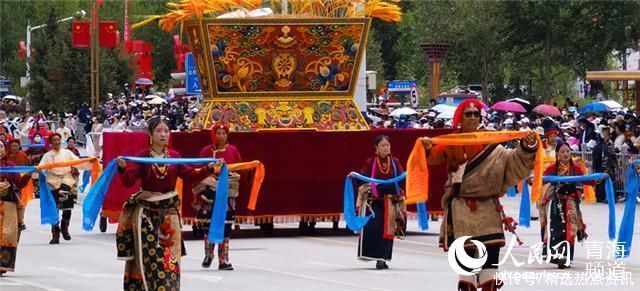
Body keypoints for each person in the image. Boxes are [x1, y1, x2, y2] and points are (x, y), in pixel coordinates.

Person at [421, 99, 538, 290]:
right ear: (460, 118)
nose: (473, 117)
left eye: (476, 114)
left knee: (490, 260)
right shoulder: (451, 141)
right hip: (462, 208)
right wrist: (426, 147)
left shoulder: (490, 140)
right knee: (467, 262)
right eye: (469, 114)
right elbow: (433, 158)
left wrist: (526, 148)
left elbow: (510, 161)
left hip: (488, 208)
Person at [115, 117, 218, 290]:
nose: (163, 134)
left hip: (169, 215)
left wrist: (210, 169)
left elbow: (191, 177)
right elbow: (129, 181)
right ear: (150, 134)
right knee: (149, 258)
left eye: (166, 131)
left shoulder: (175, 157)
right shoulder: (142, 156)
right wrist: (123, 168)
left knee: (170, 259)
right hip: (146, 216)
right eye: (159, 131)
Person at [539, 142, 597, 269]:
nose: (566, 154)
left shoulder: (575, 168)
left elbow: (586, 179)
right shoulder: (553, 168)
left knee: (570, 229)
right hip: (557, 202)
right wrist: (532, 181)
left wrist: (597, 179)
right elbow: (542, 179)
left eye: (568, 152)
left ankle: (566, 258)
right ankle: (557, 256)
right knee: (557, 228)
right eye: (563, 152)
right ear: (558, 154)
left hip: (571, 202)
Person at [354, 135, 405, 270]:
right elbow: (363, 177)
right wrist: (354, 176)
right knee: (373, 229)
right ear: (376, 147)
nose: (385, 148)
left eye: (387, 145)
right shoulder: (370, 162)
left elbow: (402, 179)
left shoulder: (395, 162)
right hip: (374, 202)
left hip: (390, 201)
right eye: (382, 145)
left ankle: (382, 259)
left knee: (387, 231)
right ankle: (373, 255)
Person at [195, 123, 242, 270]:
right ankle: (209, 254)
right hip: (209, 194)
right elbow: (199, 171)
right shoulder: (205, 151)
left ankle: (224, 260)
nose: (221, 136)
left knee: (225, 227)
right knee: (208, 226)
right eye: (218, 133)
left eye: (223, 133)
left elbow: (239, 169)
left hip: (226, 194)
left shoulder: (233, 151)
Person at [39, 133, 89, 244]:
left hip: (67, 181)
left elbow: (78, 162)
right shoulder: (47, 156)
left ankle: (65, 228)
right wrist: (38, 170)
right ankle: (55, 234)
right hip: (53, 182)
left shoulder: (67, 153)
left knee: (67, 208)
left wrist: (91, 162)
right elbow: (41, 168)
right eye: (54, 140)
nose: (57, 142)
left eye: (58, 139)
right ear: (51, 142)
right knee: (54, 209)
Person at [0, 141, 32, 276]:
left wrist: (29, 174)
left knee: (8, 234)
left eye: (0, 146)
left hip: (9, 206)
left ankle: (3, 265)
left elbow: (19, 184)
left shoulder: (10, 166)